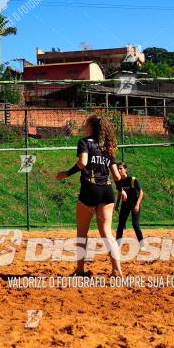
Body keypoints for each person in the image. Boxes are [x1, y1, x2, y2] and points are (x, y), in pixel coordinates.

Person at [56, 113, 126, 277]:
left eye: (86, 124)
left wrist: (66, 173)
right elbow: (116, 175)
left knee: (82, 233)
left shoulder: (84, 142)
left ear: (90, 127)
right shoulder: (108, 147)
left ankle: (80, 270)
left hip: (90, 189)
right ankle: (117, 270)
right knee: (107, 233)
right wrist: (120, 189)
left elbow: (83, 163)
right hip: (107, 190)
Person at [115, 162, 144, 246]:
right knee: (121, 224)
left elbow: (141, 192)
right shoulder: (119, 181)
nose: (119, 170)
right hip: (125, 205)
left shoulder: (133, 179)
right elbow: (120, 193)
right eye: (118, 169)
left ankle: (142, 245)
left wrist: (137, 205)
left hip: (134, 204)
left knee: (135, 224)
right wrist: (117, 204)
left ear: (125, 169)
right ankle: (117, 245)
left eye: (121, 168)